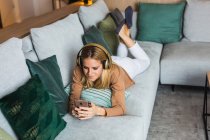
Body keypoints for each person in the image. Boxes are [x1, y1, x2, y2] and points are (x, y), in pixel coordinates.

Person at [69, 24, 150, 120]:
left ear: (105, 65)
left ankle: (124, 36)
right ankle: (122, 41)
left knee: (145, 61)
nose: (89, 73)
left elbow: (121, 108)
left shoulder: (115, 73)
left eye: (95, 68)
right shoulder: (79, 69)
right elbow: (73, 99)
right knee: (121, 56)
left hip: (124, 67)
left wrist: (97, 111)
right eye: (86, 68)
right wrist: (74, 109)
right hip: (109, 59)